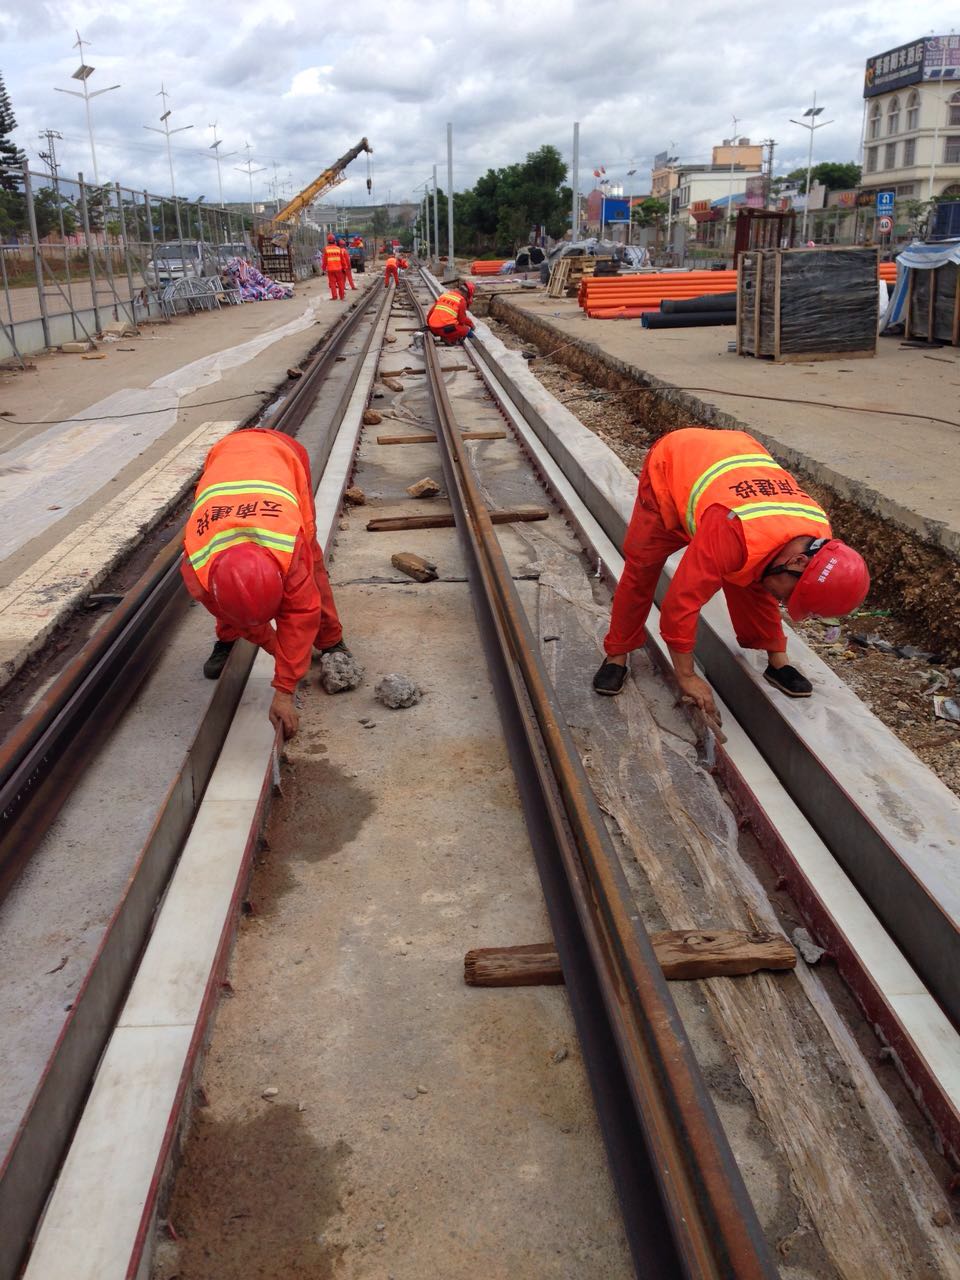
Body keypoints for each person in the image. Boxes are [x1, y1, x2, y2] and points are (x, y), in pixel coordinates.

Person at [592, 427, 870, 718]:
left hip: (733, 462)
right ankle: (617, 655)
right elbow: (680, 603)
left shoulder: (818, 536)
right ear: (799, 562)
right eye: (790, 596)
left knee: (761, 575)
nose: (785, 602)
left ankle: (777, 661)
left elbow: (769, 575)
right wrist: (686, 675)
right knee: (642, 567)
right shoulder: (731, 531)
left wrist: (776, 649)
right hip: (674, 464)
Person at [182, 428, 355, 738]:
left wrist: (284, 688)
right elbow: (230, 607)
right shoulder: (198, 568)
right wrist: (281, 651)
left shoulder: (288, 548)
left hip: (283, 454)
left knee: (313, 564)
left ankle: (330, 638)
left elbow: (300, 614)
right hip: (226, 453)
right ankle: (227, 637)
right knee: (231, 604)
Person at [426, 280, 475, 345]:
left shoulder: (445, 295)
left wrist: (430, 325)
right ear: (466, 293)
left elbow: (430, 313)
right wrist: (471, 324)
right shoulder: (461, 300)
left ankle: (445, 336)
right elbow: (462, 320)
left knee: (455, 324)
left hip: (432, 328)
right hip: (443, 330)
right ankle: (448, 338)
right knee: (465, 330)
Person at [322, 234, 347, 300]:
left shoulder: (326, 249)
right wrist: (344, 267)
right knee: (340, 282)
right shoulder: (338, 249)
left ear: (328, 241)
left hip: (330, 269)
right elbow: (342, 260)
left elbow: (324, 260)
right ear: (334, 240)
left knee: (332, 283)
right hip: (338, 269)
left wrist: (323, 269)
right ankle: (342, 296)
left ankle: (334, 296)